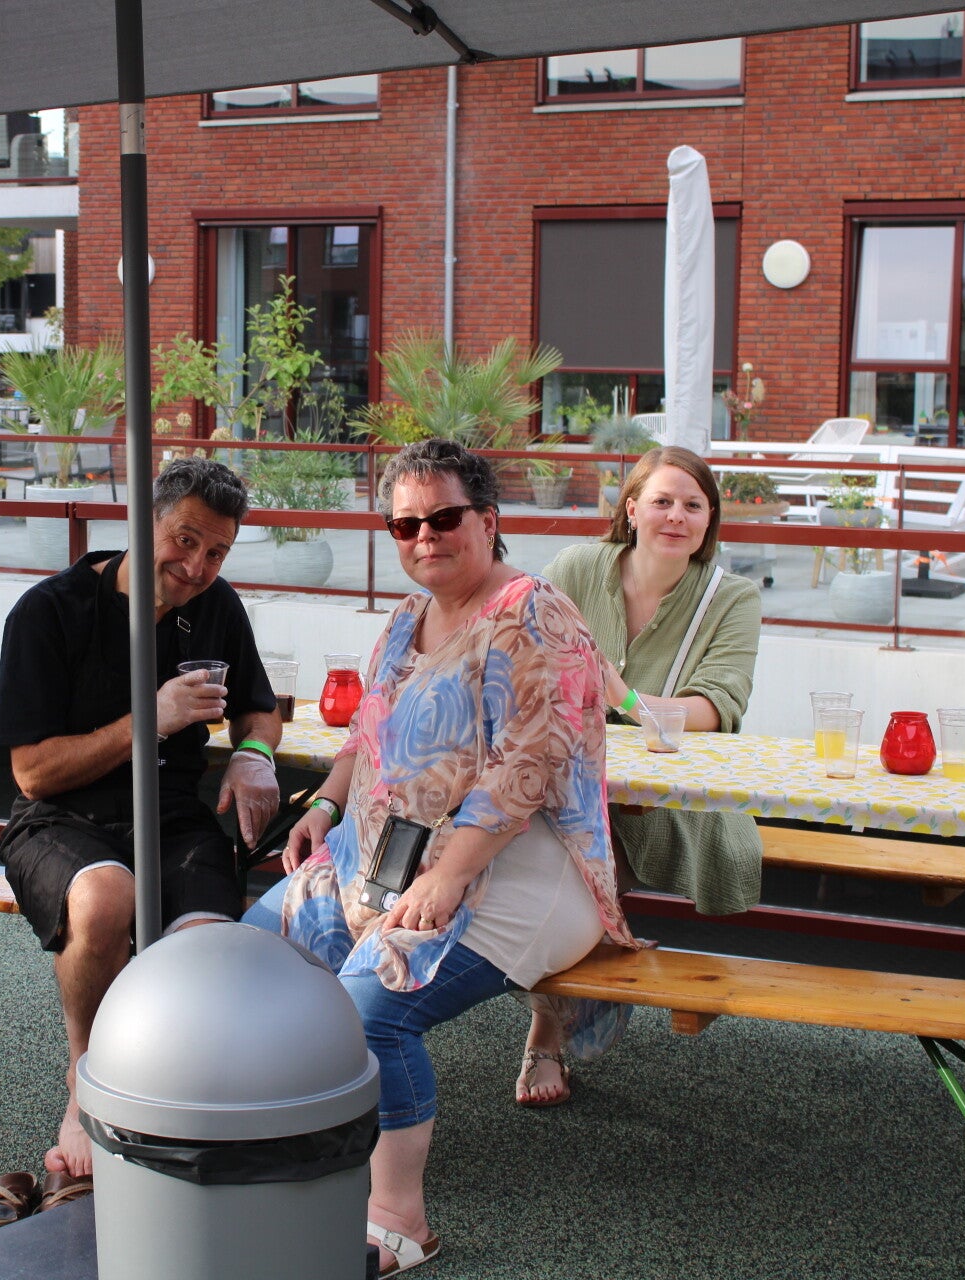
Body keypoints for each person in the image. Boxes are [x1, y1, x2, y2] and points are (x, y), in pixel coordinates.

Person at [243, 439, 636, 1277]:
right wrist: (324, 808)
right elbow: (368, 733)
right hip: (384, 852)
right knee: (252, 958)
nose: (425, 536)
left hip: (519, 870)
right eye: (405, 524)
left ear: (488, 521)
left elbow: (530, 764)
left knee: (371, 1005)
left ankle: (399, 1218)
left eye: (444, 517)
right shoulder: (404, 618)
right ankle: (301, 1148)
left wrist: (449, 876)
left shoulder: (535, 614)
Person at [0, 458, 281, 1209]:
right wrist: (153, 716)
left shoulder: (216, 605)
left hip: (173, 812)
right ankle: (87, 1085)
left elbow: (259, 706)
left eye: (217, 552)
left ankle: (173, 1098)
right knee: (106, 899)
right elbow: (33, 773)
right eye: (184, 540)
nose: (197, 566)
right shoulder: (47, 612)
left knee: (207, 946)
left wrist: (252, 755)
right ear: (142, 523)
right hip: (63, 817)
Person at [520, 445, 762, 1104]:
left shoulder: (732, 598)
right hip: (565, 782)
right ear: (630, 509)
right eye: (662, 501)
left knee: (575, 853)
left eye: (693, 505)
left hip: (669, 799)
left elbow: (714, 708)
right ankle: (569, 998)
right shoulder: (576, 569)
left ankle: (547, 1032)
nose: (676, 516)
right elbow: (519, 654)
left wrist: (621, 697)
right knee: (530, 840)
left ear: (710, 520)